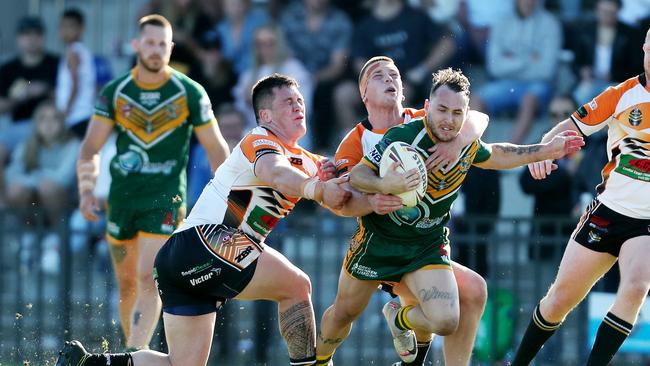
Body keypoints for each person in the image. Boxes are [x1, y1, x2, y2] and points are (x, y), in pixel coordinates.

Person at [56, 73, 350, 366]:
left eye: (299, 100)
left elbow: (341, 194)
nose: (298, 106)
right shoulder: (260, 138)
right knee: (297, 286)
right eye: (288, 102)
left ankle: (88, 363)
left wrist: (374, 196)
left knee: (181, 364)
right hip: (209, 240)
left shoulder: (310, 161)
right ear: (265, 115)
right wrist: (316, 189)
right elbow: (275, 172)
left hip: (176, 257)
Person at [345, 67, 583, 366]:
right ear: (427, 107)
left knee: (466, 301)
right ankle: (324, 356)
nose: (449, 119)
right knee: (341, 316)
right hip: (386, 244)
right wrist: (382, 186)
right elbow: (357, 176)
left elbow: (496, 152)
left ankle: (402, 320)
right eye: (442, 110)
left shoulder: (463, 139)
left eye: (457, 113)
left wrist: (544, 151)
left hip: (427, 245)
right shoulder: (405, 137)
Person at [316, 56, 491, 366]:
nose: (389, 79)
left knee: (472, 291)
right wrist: (372, 199)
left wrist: (459, 140)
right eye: (378, 75)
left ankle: (412, 346)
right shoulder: (354, 142)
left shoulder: (428, 119)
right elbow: (343, 203)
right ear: (363, 94)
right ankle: (318, 360)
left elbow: (477, 116)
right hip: (377, 245)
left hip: (420, 245)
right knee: (344, 313)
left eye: (394, 74)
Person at [73, 14, 230, 351]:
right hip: (122, 197)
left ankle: (133, 354)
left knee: (148, 276)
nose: (156, 50)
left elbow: (217, 149)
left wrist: (230, 200)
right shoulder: (116, 91)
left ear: (171, 48)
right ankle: (132, 350)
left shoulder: (189, 91)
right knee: (127, 283)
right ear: (136, 45)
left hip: (166, 197)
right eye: (150, 42)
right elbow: (89, 149)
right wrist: (87, 191)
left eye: (163, 44)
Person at [510, 27, 650, 366]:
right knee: (559, 299)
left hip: (645, 224)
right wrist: (543, 151)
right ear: (645, 48)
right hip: (609, 211)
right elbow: (570, 126)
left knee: (635, 286)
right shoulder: (621, 95)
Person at [470, 0, 562, 144]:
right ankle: (476, 154)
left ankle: (510, 152)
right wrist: (529, 59)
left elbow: (547, 71)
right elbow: (494, 67)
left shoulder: (550, 23)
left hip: (538, 85)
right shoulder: (501, 22)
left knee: (529, 99)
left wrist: (510, 59)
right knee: (476, 99)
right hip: (506, 83)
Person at [0, 16, 58, 206]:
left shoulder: (56, 63)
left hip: (52, 126)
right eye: (26, 35)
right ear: (19, 38)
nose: (32, 39)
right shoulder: (8, 68)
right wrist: (18, 98)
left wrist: (46, 91)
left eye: (37, 34)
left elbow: (69, 100)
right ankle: (3, 203)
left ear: (43, 37)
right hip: (20, 127)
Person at [56, 8, 96, 138]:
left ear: (81, 29)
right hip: (84, 112)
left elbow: (75, 83)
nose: (66, 31)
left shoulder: (73, 52)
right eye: (63, 26)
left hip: (76, 115)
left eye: (71, 26)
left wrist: (66, 109)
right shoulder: (84, 51)